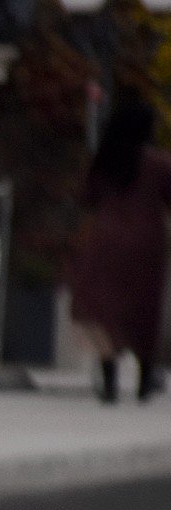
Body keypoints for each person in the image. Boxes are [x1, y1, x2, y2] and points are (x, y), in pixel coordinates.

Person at [67, 95, 171, 404]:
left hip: (106, 238)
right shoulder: (158, 164)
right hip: (147, 242)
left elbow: (87, 197)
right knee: (144, 309)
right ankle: (144, 379)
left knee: (104, 309)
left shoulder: (106, 161)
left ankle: (109, 378)